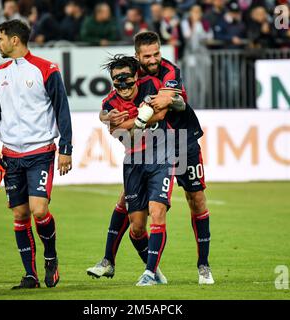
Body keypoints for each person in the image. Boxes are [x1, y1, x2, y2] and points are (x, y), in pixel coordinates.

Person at [88, 31, 214, 285]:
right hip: (153, 146)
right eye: (148, 56)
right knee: (128, 201)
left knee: (197, 199)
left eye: (157, 53)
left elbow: (165, 104)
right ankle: (113, 262)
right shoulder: (133, 76)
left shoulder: (169, 72)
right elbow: (108, 109)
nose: (154, 59)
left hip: (183, 140)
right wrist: (106, 117)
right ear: (138, 57)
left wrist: (132, 122)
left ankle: (203, 266)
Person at [0, 19, 73, 289]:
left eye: (0, 39)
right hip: (11, 155)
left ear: (14, 40)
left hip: (41, 151)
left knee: (39, 210)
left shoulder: (46, 69)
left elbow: (61, 109)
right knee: (20, 215)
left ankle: (51, 257)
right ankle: (30, 275)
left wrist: (66, 148)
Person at [99, 55, 174, 286]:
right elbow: (118, 130)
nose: (123, 87)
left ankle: (149, 273)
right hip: (133, 161)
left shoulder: (152, 85)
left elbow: (162, 113)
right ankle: (154, 272)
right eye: (117, 82)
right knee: (137, 228)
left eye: (127, 81)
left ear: (136, 77)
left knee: (157, 211)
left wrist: (137, 121)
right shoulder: (110, 104)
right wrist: (138, 120)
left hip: (162, 154)